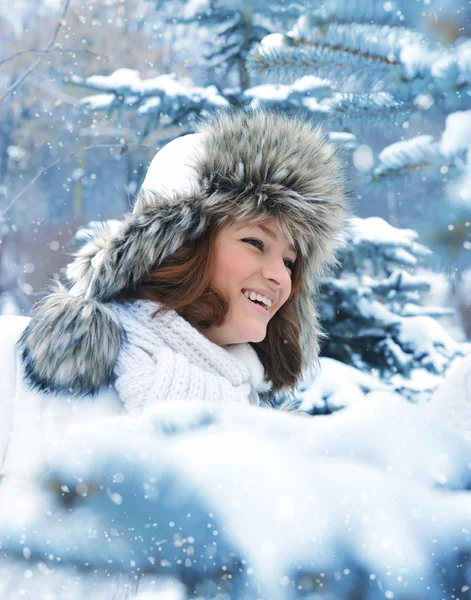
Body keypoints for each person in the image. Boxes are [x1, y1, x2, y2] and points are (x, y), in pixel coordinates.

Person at [0, 108, 348, 475]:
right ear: (182, 243)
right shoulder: (24, 362)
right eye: (255, 242)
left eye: (291, 263)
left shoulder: (263, 446)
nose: (280, 276)